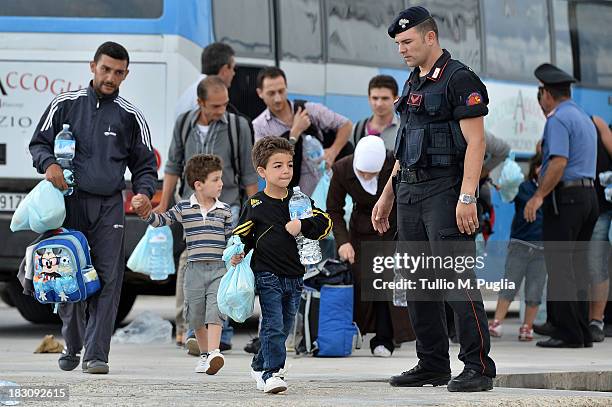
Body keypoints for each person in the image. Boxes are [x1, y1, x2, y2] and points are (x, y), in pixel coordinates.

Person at [371, 6, 496, 391]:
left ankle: (478, 367)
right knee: (418, 281)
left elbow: (477, 141)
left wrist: (467, 196)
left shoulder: (459, 79)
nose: (401, 50)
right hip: (408, 191)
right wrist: (386, 195)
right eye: (397, 44)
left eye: (407, 42)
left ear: (430, 37)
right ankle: (432, 364)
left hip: (445, 191)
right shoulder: (411, 83)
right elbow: (405, 144)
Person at [29, 41, 157, 374]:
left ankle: (97, 355)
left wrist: (143, 193)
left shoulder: (131, 116)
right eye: (105, 69)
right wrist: (49, 165)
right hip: (68, 204)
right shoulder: (64, 105)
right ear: (92, 67)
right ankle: (72, 344)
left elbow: (145, 166)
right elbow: (38, 144)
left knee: (107, 279)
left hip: (109, 208)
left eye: (118, 72)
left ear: (126, 74)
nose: (110, 77)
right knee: (67, 275)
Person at [159, 75, 258, 352]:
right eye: (215, 106)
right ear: (199, 103)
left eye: (225, 104)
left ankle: (220, 335)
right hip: (192, 209)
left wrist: (255, 211)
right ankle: (196, 332)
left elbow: (248, 174)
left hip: (226, 207)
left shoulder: (237, 126)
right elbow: (172, 166)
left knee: (222, 268)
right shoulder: (183, 124)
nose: (221, 111)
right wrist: (163, 203)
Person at [232, 137, 332, 394]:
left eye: (289, 164)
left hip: (295, 276)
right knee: (273, 324)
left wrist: (303, 225)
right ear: (262, 171)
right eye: (278, 166)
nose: (286, 170)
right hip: (267, 275)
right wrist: (237, 252)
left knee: (285, 326)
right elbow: (241, 236)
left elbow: (325, 224)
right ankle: (271, 373)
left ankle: (258, 364)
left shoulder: (300, 201)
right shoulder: (255, 204)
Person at [133, 154, 231, 375]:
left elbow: (231, 238)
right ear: (199, 185)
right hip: (193, 269)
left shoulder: (224, 210)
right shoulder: (184, 208)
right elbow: (161, 220)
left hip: (218, 269)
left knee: (215, 311)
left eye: (220, 179)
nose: (221, 184)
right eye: (215, 179)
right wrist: (146, 213)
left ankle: (215, 352)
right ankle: (205, 355)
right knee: (195, 314)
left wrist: (236, 254)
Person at [524, 63, 598, 348]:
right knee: (577, 265)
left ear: (547, 94)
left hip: (566, 199)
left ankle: (567, 332)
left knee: (560, 265)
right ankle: (579, 329)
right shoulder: (581, 116)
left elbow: (558, 162)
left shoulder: (557, 120)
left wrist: (538, 195)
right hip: (588, 197)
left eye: (540, 92)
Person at [327, 136, 414, 357]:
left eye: (371, 174)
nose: (366, 177)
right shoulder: (341, 168)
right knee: (363, 282)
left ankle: (385, 338)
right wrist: (343, 242)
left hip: (393, 227)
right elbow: (334, 210)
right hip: (362, 230)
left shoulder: (395, 163)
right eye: (362, 173)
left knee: (388, 283)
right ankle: (360, 330)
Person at [252, 67, 352, 196]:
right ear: (260, 93)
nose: (278, 98)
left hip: (326, 187)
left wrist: (333, 151)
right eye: (271, 93)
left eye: (281, 91)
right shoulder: (260, 125)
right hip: (295, 197)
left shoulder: (308, 109)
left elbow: (346, 124)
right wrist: (294, 133)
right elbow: (264, 164)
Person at [489, 152, 546, 341]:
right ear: (534, 169)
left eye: (546, 166)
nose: (542, 170)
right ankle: (497, 322)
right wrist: (502, 185)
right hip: (519, 244)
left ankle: (527, 327)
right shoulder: (524, 187)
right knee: (509, 285)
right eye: (539, 166)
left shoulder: (552, 191)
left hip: (542, 249)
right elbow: (508, 193)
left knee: (534, 289)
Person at [586, 116, 612, 342]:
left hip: (601, 206)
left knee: (596, 263)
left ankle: (597, 320)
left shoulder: (595, 121)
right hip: (577, 206)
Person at [174, 42, 237, 119]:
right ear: (224, 70)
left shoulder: (188, 94)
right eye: (233, 68)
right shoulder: (207, 95)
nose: (234, 73)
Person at [351, 75, 400, 151]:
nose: (379, 103)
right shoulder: (357, 129)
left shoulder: (405, 129)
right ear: (369, 99)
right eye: (375, 98)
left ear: (396, 99)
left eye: (385, 98)